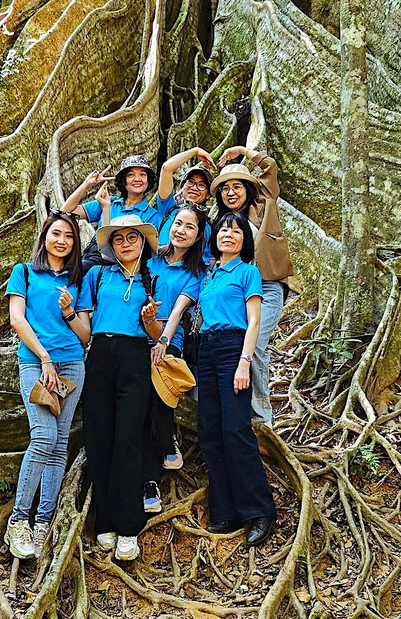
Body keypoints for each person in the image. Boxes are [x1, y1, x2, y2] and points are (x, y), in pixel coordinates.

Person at [3, 210, 91, 560]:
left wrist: (70, 312)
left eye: (69, 236)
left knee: (59, 444)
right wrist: (44, 358)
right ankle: (18, 521)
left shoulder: (78, 281)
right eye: (56, 233)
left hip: (72, 363)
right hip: (36, 364)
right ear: (45, 237)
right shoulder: (24, 272)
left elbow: (84, 335)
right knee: (43, 435)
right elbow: (16, 319)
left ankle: (44, 522)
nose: (62, 240)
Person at [75, 214, 162, 561]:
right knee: (99, 437)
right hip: (99, 357)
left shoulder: (154, 280)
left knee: (128, 438)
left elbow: (157, 335)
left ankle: (129, 526)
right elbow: (85, 324)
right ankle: (105, 522)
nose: (126, 244)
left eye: (133, 238)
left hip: (134, 357)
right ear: (112, 246)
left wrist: (150, 321)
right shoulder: (97, 275)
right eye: (120, 239)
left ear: (143, 242)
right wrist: (69, 313)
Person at [197, 212, 276, 547]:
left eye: (235, 230)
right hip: (206, 349)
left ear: (245, 239)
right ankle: (224, 511)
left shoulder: (248, 272)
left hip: (233, 348)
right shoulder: (210, 275)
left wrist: (244, 362)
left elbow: (254, 321)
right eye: (223, 229)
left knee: (235, 429)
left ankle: (258, 511)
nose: (228, 234)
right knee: (211, 431)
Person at [211, 146, 294, 425]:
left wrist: (241, 151)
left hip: (268, 288)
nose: (231, 192)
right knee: (233, 347)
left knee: (255, 345)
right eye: (225, 189)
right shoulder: (220, 224)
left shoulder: (264, 204)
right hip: (235, 295)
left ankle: (262, 418)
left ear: (248, 189)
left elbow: (270, 167)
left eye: (237, 186)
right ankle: (235, 413)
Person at [142, 204, 208, 513]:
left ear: (198, 237)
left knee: (157, 403)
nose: (181, 230)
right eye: (178, 223)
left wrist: (163, 342)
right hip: (136, 338)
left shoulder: (194, 274)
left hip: (169, 340)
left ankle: (152, 478)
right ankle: (147, 478)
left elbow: (180, 310)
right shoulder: (151, 258)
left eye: (190, 227)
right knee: (139, 411)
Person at [62, 156, 163, 272]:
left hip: (117, 262)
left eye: (142, 174)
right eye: (131, 175)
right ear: (123, 180)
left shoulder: (151, 215)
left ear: (148, 180)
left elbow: (144, 251)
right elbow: (65, 212)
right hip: (90, 253)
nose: (137, 179)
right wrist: (87, 184)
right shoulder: (110, 202)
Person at [155, 147, 215, 264]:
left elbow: (210, 258)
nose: (194, 187)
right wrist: (195, 151)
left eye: (201, 185)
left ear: (208, 195)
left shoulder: (207, 226)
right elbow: (166, 168)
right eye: (190, 182)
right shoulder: (169, 207)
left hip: (186, 278)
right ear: (182, 186)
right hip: (156, 269)